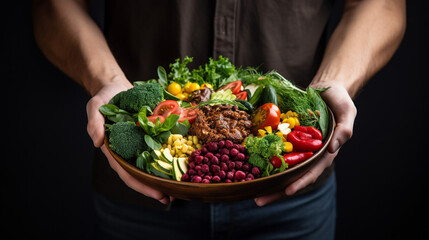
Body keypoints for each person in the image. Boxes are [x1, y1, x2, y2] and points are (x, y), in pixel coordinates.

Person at [32, 0, 406, 239]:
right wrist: (109, 83)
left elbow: (382, 4)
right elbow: (53, 6)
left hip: (294, 199)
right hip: (136, 196)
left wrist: (333, 83)